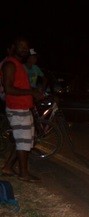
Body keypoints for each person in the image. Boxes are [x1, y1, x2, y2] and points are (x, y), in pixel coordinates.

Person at [1, 37, 44, 182]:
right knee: (23, 142)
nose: (24, 49)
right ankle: (24, 173)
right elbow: (8, 89)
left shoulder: (19, 65)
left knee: (24, 140)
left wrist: (33, 90)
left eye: (26, 47)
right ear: (14, 47)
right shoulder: (10, 65)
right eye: (21, 46)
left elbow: (21, 87)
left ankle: (7, 167)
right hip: (17, 109)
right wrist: (31, 93)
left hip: (24, 108)